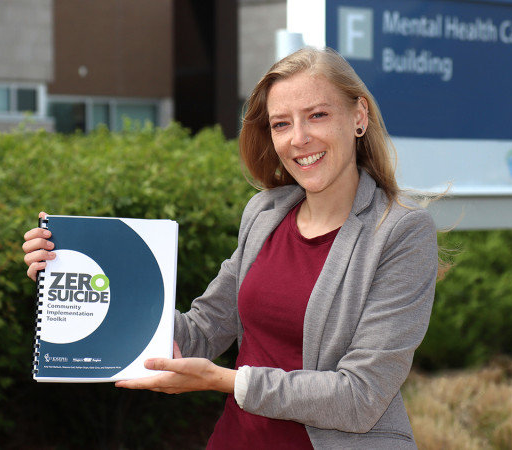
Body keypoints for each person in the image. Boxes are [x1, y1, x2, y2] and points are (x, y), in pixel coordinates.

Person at [23, 46, 438, 449]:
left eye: (317, 115)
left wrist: (225, 380)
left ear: (359, 116)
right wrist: (72, 273)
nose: (299, 138)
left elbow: (361, 396)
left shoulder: (400, 232)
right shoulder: (265, 213)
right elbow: (201, 330)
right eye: (281, 124)